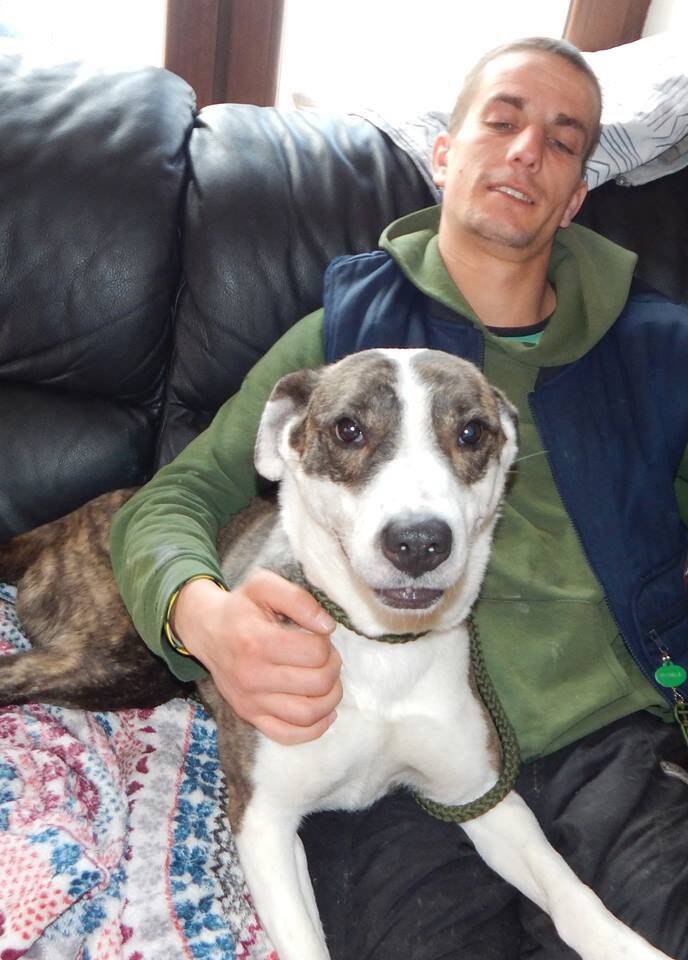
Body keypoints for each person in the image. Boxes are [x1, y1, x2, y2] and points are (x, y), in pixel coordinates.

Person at [110, 37, 688, 960]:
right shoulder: (341, 338)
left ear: (578, 193)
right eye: (501, 121)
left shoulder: (660, 349)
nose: (526, 151)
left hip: (607, 738)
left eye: (561, 140)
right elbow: (172, 498)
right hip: (378, 758)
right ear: (444, 155)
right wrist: (205, 619)